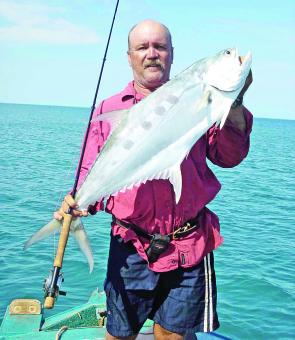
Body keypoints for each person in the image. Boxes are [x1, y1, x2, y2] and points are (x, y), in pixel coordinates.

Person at [55, 19, 253, 340]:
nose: (152, 54)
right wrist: (78, 202)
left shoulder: (204, 99)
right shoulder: (109, 110)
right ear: (129, 56)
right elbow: (91, 170)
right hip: (131, 244)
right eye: (142, 47)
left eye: (160, 47)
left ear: (172, 54)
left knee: (173, 335)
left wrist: (235, 102)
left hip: (189, 242)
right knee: (119, 334)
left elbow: (229, 157)